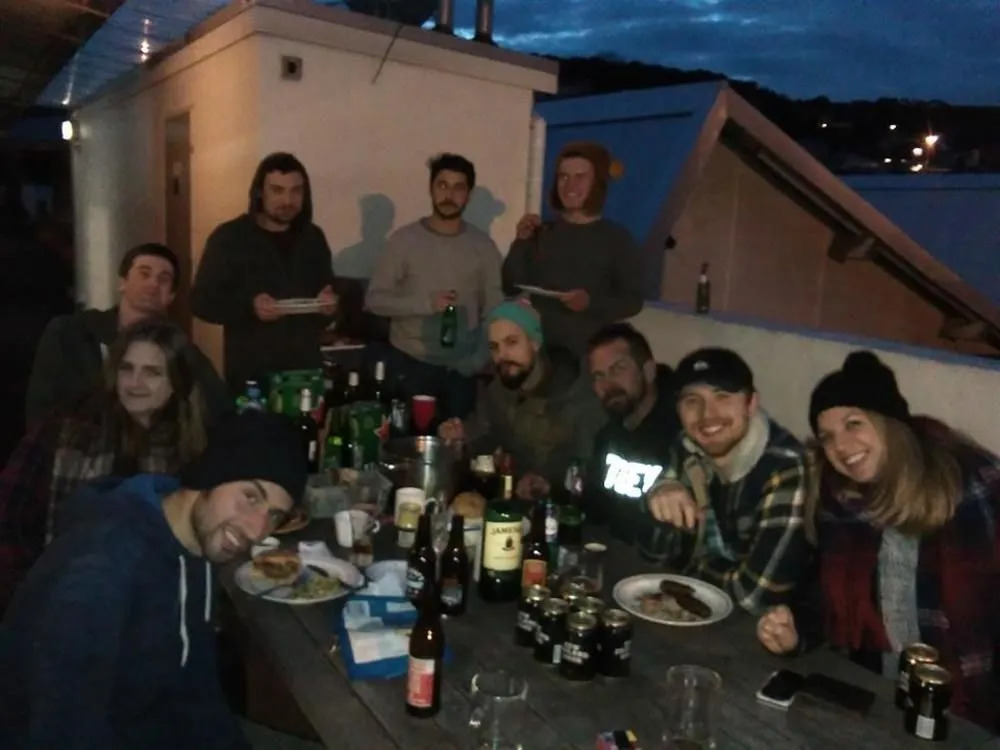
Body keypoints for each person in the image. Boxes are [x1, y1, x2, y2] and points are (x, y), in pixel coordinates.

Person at [0, 409, 304, 749]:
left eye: (273, 515)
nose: (256, 530)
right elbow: (62, 728)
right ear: (211, 476)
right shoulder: (103, 565)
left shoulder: (195, 547)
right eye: (250, 497)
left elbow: (197, 690)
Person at [756, 351, 1000, 730]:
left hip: (972, 707)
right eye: (827, 437)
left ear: (891, 424)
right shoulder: (840, 501)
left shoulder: (970, 487)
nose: (841, 445)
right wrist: (796, 631)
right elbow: (826, 600)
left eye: (854, 424)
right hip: (878, 698)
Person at [0, 319, 211, 612]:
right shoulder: (63, 431)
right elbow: (8, 517)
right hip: (58, 596)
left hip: (157, 606)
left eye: (152, 372)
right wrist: (29, 591)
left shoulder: (193, 453)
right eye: (127, 369)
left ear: (177, 382)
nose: (134, 383)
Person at [645, 348, 811, 614]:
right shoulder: (688, 447)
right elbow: (653, 557)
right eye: (692, 400)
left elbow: (754, 597)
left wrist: (688, 571)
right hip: (701, 613)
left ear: (751, 403)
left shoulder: (785, 467)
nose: (707, 415)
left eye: (722, 396)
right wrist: (660, 493)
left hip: (770, 631)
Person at [25, 242, 228, 424]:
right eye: (144, 274)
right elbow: (41, 406)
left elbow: (218, 406)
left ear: (171, 296)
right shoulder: (71, 332)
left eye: (163, 279)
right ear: (122, 282)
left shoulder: (181, 348)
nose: (153, 284)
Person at [366, 153, 502, 418]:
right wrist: (426, 304)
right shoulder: (403, 241)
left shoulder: (484, 247)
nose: (449, 195)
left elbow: (495, 311)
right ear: (431, 188)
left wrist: (476, 361)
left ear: (469, 195)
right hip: (409, 364)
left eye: (458, 187)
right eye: (442, 185)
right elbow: (375, 300)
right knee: (406, 439)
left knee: (459, 441)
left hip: (461, 371)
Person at [191, 152, 338, 391]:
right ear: (260, 192)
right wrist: (250, 307)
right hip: (251, 372)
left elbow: (325, 299)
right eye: (277, 190)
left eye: (296, 191)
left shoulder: (313, 238)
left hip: (304, 371)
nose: (287, 200)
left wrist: (328, 307)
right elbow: (200, 302)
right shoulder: (230, 237)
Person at [439, 299, 605, 496]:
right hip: (513, 495)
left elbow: (590, 466)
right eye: (494, 347)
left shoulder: (577, 394)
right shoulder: (499, 389)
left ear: (535, 342)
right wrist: (460, 436)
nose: (502, 355)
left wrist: (548, 481)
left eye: (511, 342)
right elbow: (485, 432)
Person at [501, 141, 644, 357]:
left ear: (597, 183)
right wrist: (520, 241)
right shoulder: (542, 232)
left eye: (580, 177)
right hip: (541, 355)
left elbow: (633, 301)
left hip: (591, 358)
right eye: (563, 177)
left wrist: (590, 303)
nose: (569, 186)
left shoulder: (617, 239)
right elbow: (510, 286)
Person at [583, 323, 679, 552]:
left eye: (618, 369)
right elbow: (594, 511)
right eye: (598, 376)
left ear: (648, 371)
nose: (607, 384)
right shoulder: (607, 437)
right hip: (611, 558)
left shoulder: (683, 436)